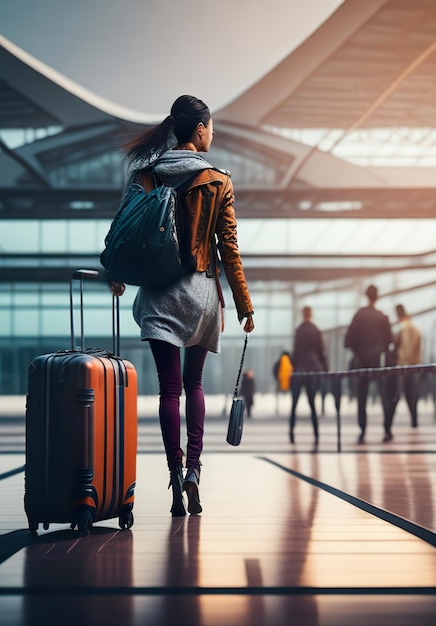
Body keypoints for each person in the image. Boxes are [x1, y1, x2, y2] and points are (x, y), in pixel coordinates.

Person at [108, 95, 255, 517]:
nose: (213, 133)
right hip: (200, 295)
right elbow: (229, 249)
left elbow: (121, 231)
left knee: (168, 389)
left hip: (158, 293)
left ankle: (173, 475)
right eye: (211, 126)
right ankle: (194, 470)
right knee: (194, 386)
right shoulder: (218, 180)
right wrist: (244, 303)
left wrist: (114, 271)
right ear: (200, 129)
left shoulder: (147, 175)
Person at [344, 284, 393, 444]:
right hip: (378, 362)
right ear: (377, 297)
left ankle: (363, 427)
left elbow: (348, 341)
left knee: (362, 397)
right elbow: (390, 341)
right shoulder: (382, 317)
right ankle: (386, 428)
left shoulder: (359, 316)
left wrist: (359, 352)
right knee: (384, 396)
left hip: (362, 361)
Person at [289, 306, 328, 446]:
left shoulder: (299, 331)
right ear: (311, 315)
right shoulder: (316, 331)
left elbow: (295, 352)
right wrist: (325, 369)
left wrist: (293, 368)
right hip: (312, 369)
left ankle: (291, 433)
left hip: (299, 370)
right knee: (312, 404)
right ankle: (316, 433)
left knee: (294, 404)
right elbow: (321, 352)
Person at [389, 304, 422, 427]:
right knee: (412, 397)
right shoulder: (415, 329)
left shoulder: (404, 329)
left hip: (404, 367)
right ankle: (414, 422)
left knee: (396, 396)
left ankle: (388, 425)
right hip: (415, 366)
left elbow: (406, 350)